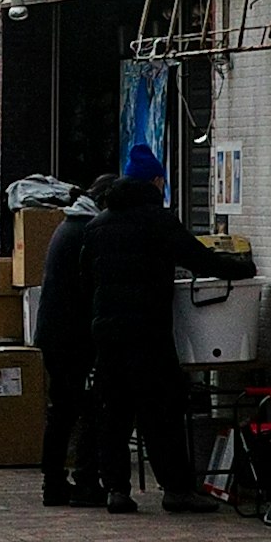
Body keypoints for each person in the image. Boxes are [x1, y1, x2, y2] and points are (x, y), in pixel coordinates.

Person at [77, 142, 233, 515]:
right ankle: (176, 490)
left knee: (113, 414)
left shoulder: (97, 226)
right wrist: (241, 269)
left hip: (108, 333)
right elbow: (199, 258)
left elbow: (86, 280)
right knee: (161, 413)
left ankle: (117, 489)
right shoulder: (158, 221)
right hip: (148, 332)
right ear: (157, 181)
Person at [32, 180, 112, 506]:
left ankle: (54, 483)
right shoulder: (87, 231)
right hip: (73, 336)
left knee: (61, 411)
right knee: (83, 410)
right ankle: (83, 481)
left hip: (55, 333)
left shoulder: (70, 225)